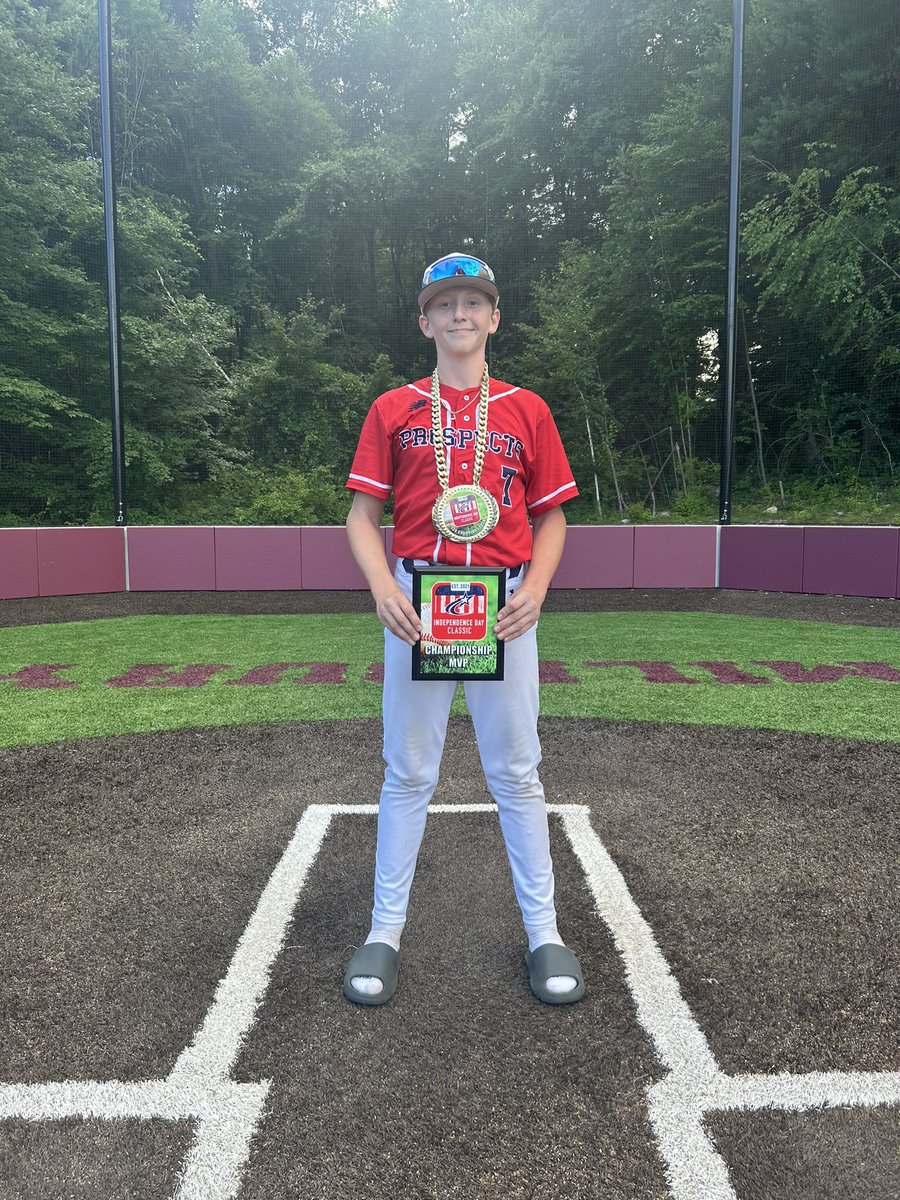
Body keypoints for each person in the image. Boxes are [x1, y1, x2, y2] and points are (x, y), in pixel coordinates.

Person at [342, 252, 584, 1006]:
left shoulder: (526, 408)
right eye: (444, 304)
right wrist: (382, 585)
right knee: (409, 768)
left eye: (472, 302)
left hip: (504, 604)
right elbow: (361, 515)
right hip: (417, 603)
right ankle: (385, 931)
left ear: (494, 317)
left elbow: (552, 516)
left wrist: (537, 590)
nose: (458, 316)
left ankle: (544, 933)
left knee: (515, 770)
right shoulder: (392, 407)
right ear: (424, 320)